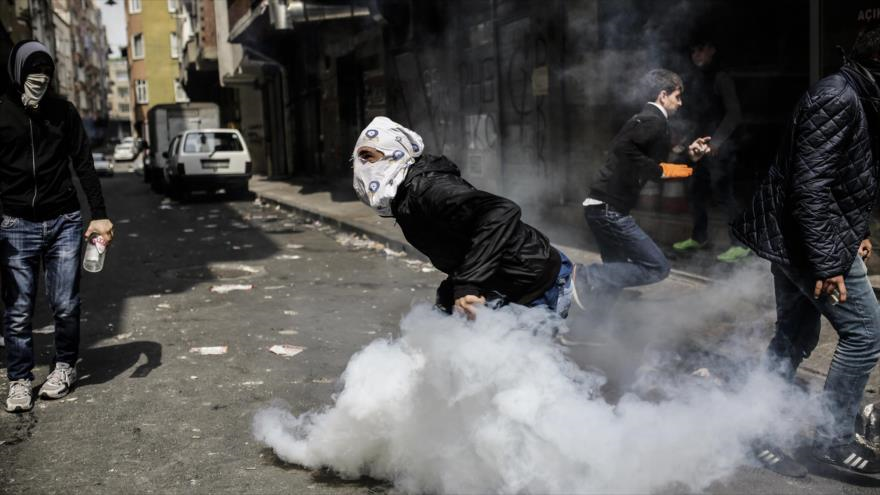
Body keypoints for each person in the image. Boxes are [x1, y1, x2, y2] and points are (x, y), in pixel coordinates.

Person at [732, 27, 880, 475]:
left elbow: (842, 177)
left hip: (813, 237)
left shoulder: (857, 95)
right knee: (865, 333)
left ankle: (758, 427)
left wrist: (858, 230)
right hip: (807, 241)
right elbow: (809, 189)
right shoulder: (836, 97)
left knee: (796, 336)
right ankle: (832, 442)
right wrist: (830, 262)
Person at [352, 116, 572, 321]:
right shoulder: (404, 198)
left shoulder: (427, 188)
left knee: (532, 362)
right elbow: (459, 242)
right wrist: (452, 291)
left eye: (368, 156)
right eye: (358, 159)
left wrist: (468, 283)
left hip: (537, 283)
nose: (362, 166)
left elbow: (501, 211)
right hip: (504, 287)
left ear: (395, 152)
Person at [1, 40, 114, 413]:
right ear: (17, 73)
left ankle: (64, 367)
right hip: (15, 223)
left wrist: (99, 214)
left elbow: (83, 165)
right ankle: (19, 379)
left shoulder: (63, 113)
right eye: (33, 74)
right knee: (18, 309)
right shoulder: (2, 111)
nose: (40, 80)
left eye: (46, 74)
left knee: (65, 304)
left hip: (64, 220)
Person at [571, 69, 710, 315]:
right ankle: (584, 275)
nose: (680, 103)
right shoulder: (654, 120)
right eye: (677, 97)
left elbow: (656, 163)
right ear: (663, 95)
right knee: (657, 267)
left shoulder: (648, 120)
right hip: (608, 210)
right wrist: (657, 170)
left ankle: (588, 330)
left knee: (616, 273)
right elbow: (623, 149)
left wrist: (690, 159)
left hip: (601, 207)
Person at [671, 37, 749, 263]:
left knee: (724, 195)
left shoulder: (721, 77)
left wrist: (716, 143)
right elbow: (697, 116)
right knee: (695, 192)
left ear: (712, 50)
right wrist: (683, 142)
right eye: (693, 49)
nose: (696, 54)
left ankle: (741, 244)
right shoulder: (696, 78)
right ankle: (699, 237)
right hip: (698, 148)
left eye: (701, 49)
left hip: (719, 148)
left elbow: (734, 114)